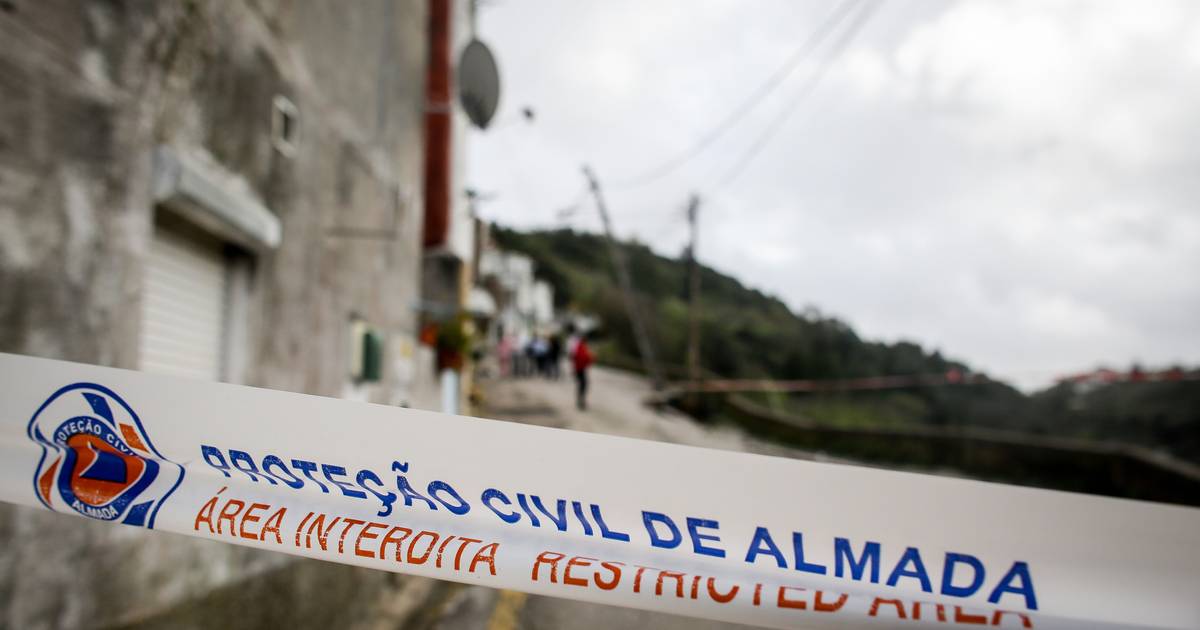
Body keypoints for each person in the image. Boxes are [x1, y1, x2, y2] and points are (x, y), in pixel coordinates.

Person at [572, 333, 594, 410]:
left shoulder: (580, 346)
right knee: (583, 385)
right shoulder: (581, 347)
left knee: (583, 385)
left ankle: (581, 401)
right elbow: (583, 357)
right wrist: (589, 359)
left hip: (580, 368)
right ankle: (581, 401)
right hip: (580, 369)